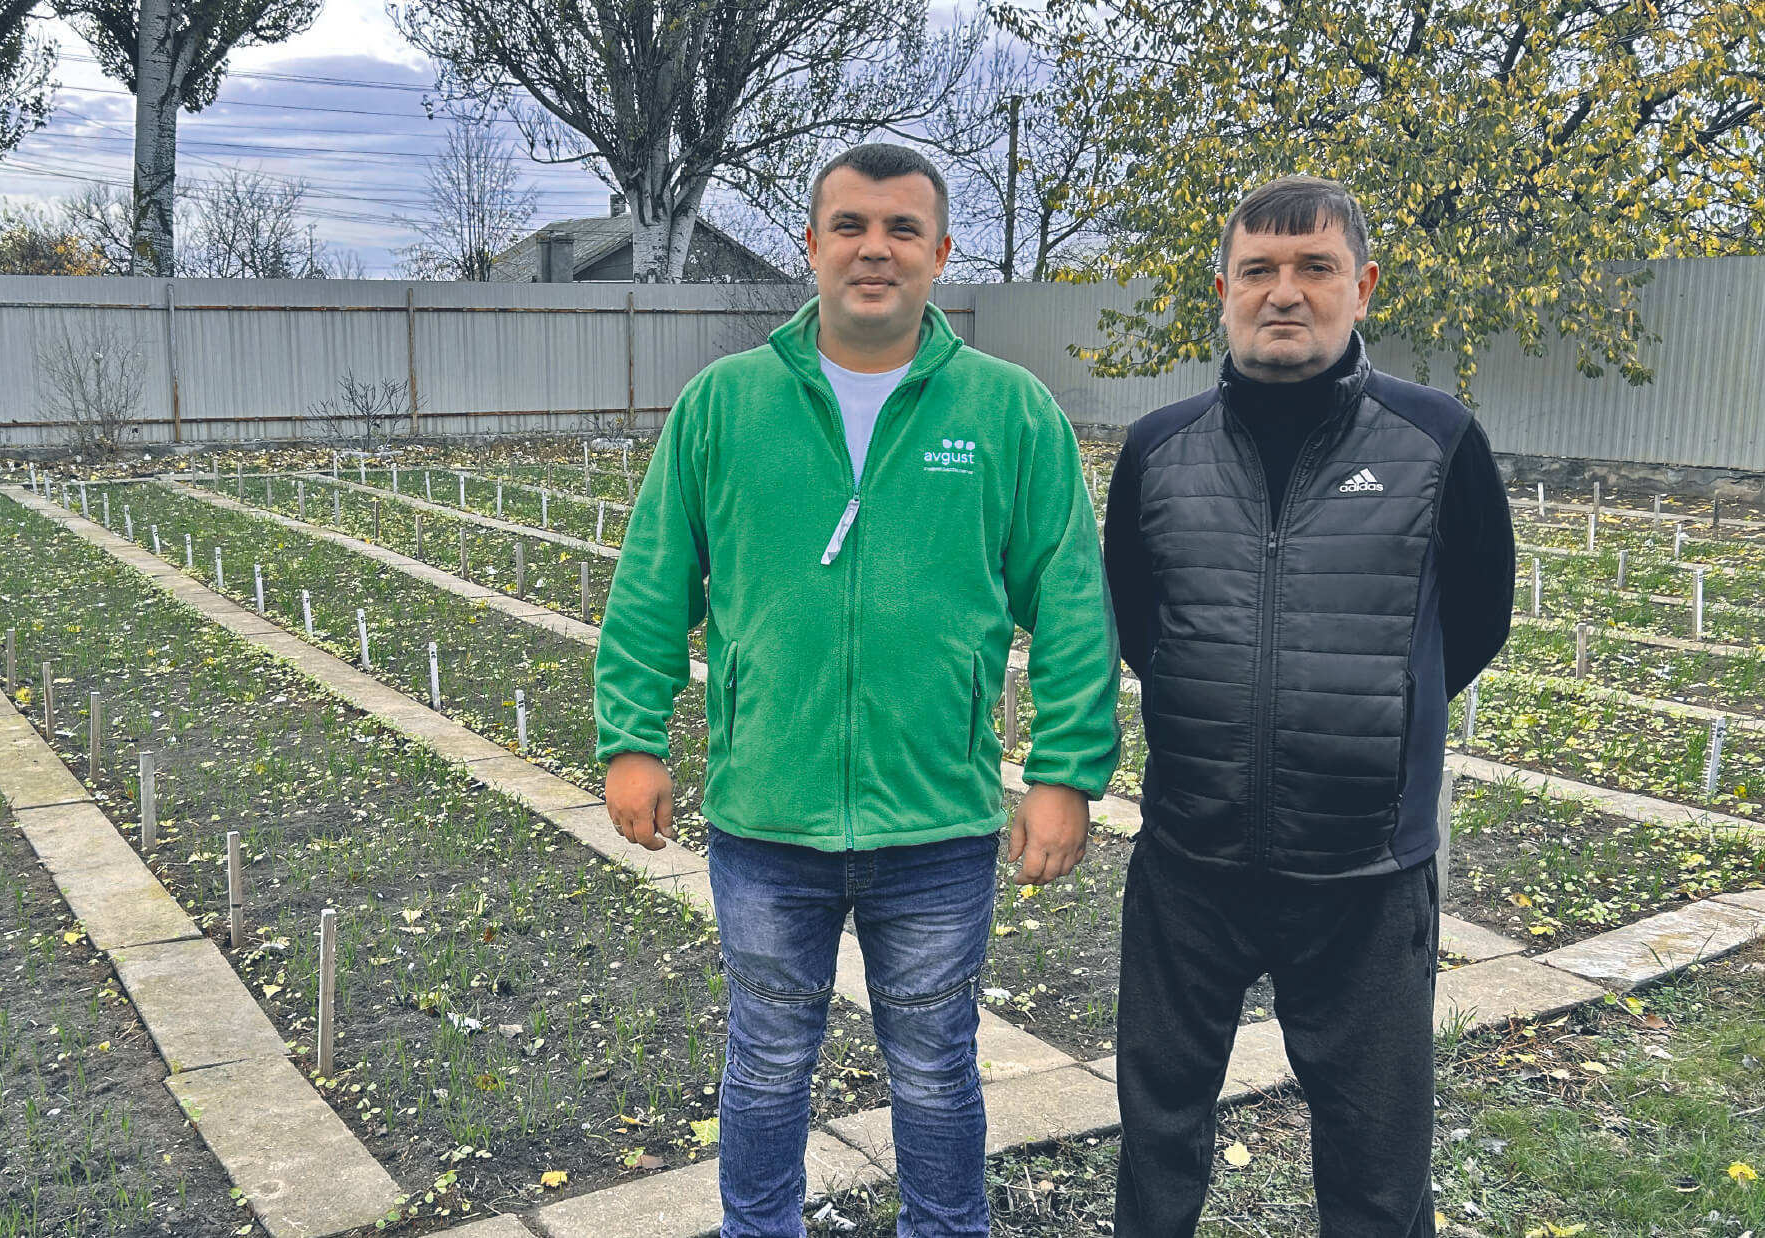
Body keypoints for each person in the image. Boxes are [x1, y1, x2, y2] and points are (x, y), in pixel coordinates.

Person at [594, 142, 1122, 1238]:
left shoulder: (1010, 412)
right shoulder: (723, 405)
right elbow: (651, 585)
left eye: (900, 229)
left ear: (940, 253)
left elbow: (1073, 603)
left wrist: (1066, 772)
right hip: (765, 817)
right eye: (850, 226)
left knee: (934, 1066)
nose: (874, 249)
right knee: (765, 1059)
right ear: (811, 245)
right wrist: (632, 740)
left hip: (935, 823)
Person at [1101, 175, 1516, 1237]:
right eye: (1258, 270)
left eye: (1314, 267)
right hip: (1188, 864)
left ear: (1362, 286)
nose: (1283, 292)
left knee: (1377, 1161)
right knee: (1156, 1138)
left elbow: (1474, 619)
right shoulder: (1157, 448)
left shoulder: (1435, 439)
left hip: (1364, 874)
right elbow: (1139, 622)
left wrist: (1370, 712)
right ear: (1223, 290)